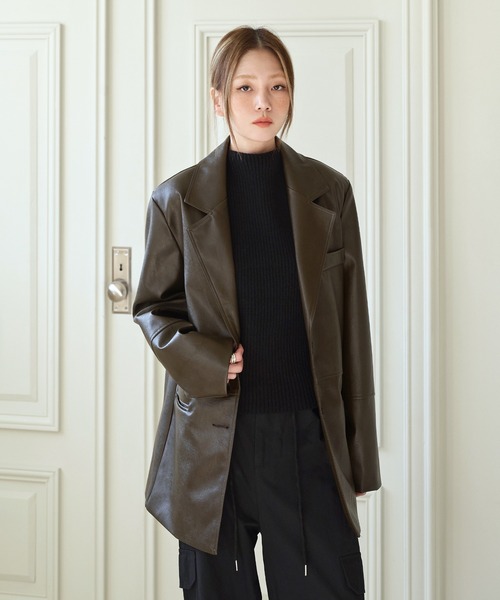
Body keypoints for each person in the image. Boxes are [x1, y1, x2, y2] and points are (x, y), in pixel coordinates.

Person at [133, 25, 381, 600]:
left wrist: (359, 457)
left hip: (308, 437)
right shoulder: (176, 200)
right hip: (213, 445)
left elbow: (353, 328)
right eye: (245, 87)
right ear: (218, 99)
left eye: (277, 87)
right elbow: (153, 307)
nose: (263, 102)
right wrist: (209, 360)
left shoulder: (330, 192)